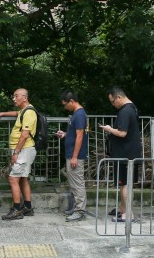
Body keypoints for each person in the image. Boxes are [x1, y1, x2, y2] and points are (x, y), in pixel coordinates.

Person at [101, 86, 140, 223]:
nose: (113, 104)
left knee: (126, 184)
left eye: (113, 101)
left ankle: (129, 214)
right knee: (124, 183)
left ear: (119, 97)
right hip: (127, 153)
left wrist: (109, 129)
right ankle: (123, 208)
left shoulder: (125, 111)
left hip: (126, 154)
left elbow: (122, 133)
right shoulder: (132, 108)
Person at [0, 88, 38, 220]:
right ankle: (27, 207)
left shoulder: (29, 112)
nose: (13, 99)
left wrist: (16, 152)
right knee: (23, 178)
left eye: (16, 96)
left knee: (13, 178)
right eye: (13, 96)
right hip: (24, 150)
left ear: (24, 98)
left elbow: (25, 135)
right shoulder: (24, 111)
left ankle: (16, 209)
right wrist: (3, 113)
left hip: (23, 150)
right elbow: (17, 113)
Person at [57, 91, 89, 223]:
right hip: (72, 154)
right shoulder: (77, 114)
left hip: (75, 156)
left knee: (77, 184)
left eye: (65, 105)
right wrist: (65, 134)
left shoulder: (80, 115)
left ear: (71, 101)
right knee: (74, 183)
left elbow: (80, 136)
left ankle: (80, 211)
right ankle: (77, 208)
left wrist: (75, 156)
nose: (65, 108)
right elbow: (76, 134)